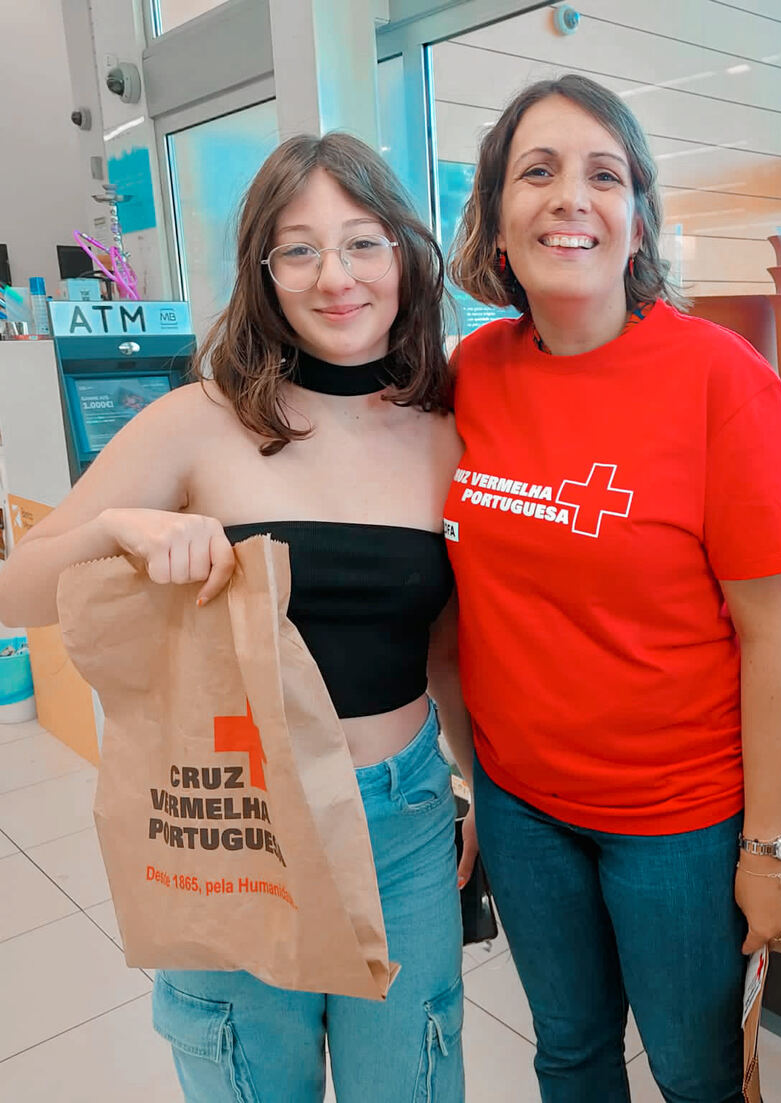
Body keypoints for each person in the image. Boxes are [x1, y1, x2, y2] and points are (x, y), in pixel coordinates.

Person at [0, 133, 472, 1103]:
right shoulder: (200, 419)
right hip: (237, 818)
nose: (334, 276)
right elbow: (16, 590)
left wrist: (483, 790)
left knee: (412, 1080)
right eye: (299, 249)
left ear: (404, 255)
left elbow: (444, 647)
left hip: (403, 816)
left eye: (363, 241)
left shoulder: (448, 430)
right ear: (263, 271)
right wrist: (118, 534)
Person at [446, 74, 781, 1103]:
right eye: (537, 171)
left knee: (693, 1072)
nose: (570, 196)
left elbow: (773, 636)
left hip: (675, 821)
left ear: (637, 219)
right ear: (496, 217)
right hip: (521, 805)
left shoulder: (721, 381)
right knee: (568, 1052)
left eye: (603, 175)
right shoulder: (470, 373)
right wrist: (471, 779)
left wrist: (769, 844)